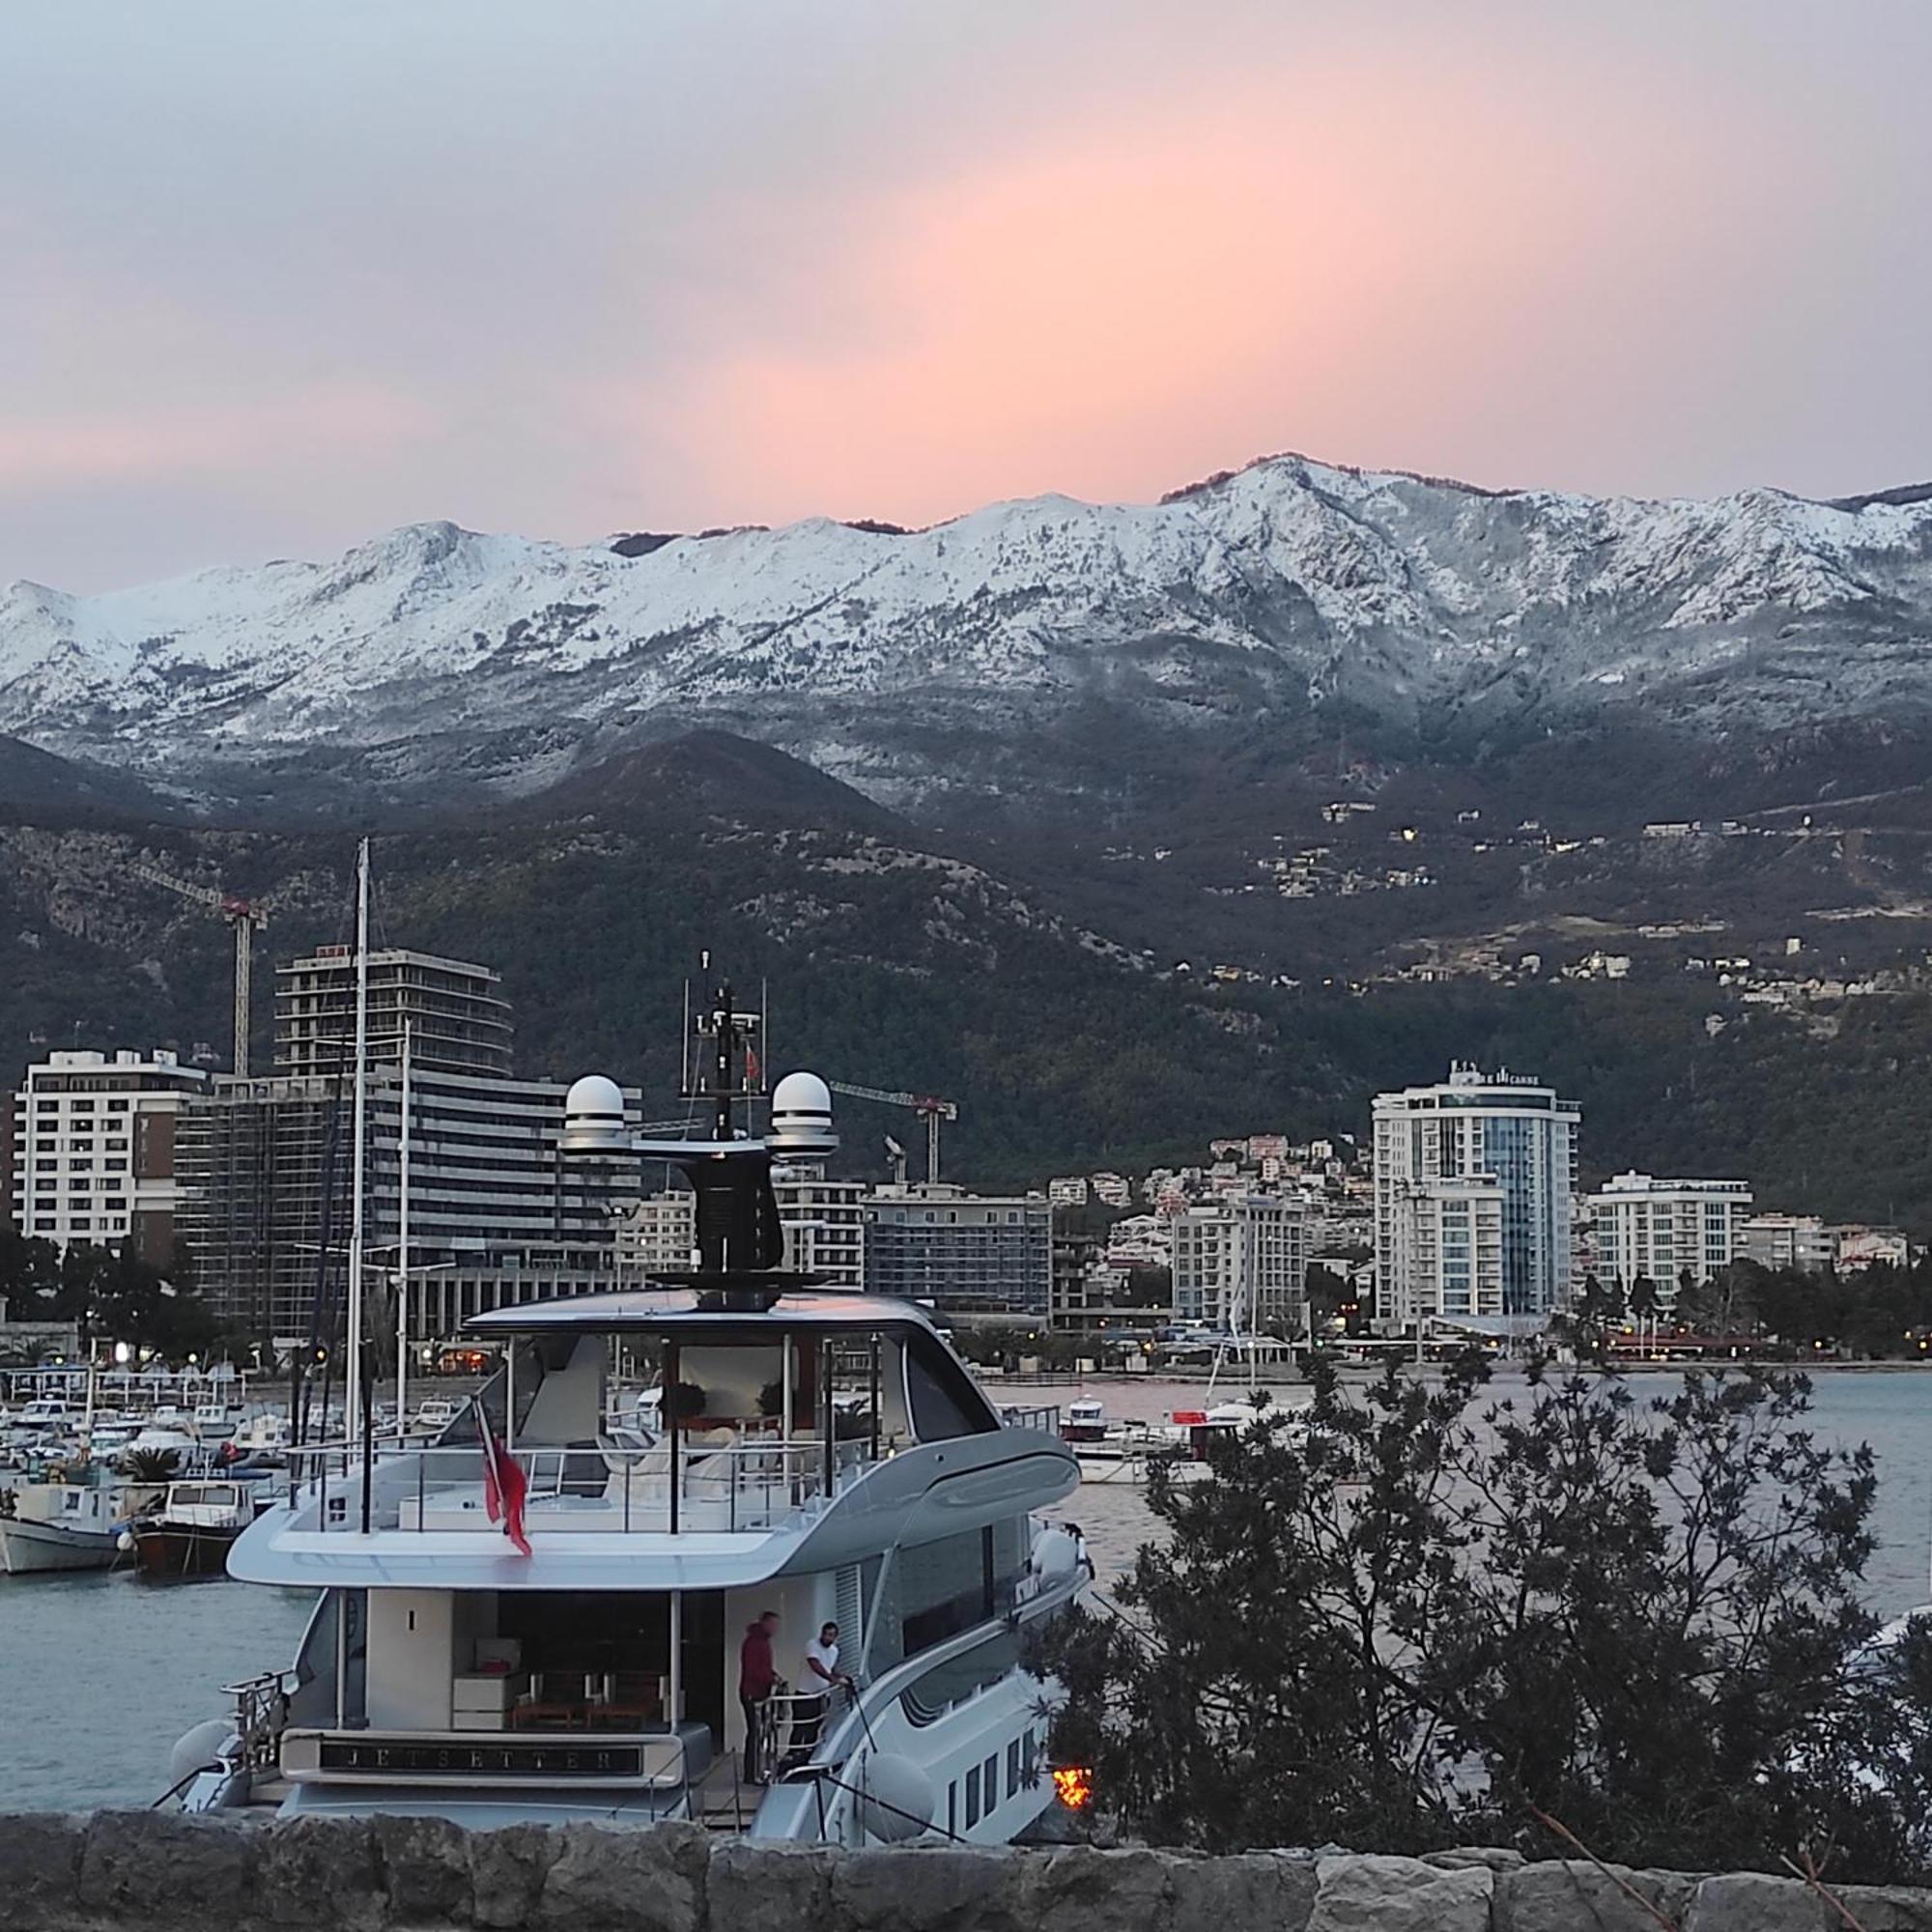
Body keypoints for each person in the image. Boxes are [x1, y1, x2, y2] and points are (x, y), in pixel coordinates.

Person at [790, 1620, 850, 1755]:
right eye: (826, 1634)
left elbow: (830, 1667)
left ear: (835, 1637)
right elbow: (815, 1665)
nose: (828, 1638)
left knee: (815, 1727)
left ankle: (808, 1754)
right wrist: (832, 1679)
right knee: (800, 1727)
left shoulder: (834, 1651)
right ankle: (793, 1754)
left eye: (831, 1635)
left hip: (822, 1695)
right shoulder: (812, 1645)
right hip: (805, 1694)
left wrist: (842, 1676)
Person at [738, 1609, 780, 1782]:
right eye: (773, 1624)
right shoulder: (755, 1642)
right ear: (765, 1623)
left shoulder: (761, 1642)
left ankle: (755, 1771)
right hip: (752, 1694)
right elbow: (754, 1670)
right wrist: (771, 1678)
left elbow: (762, 1667)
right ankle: (751, 1774)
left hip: (760, 1693)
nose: (776, 1628)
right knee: (754, 1734)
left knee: (759, 1733)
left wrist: (773, 1675)